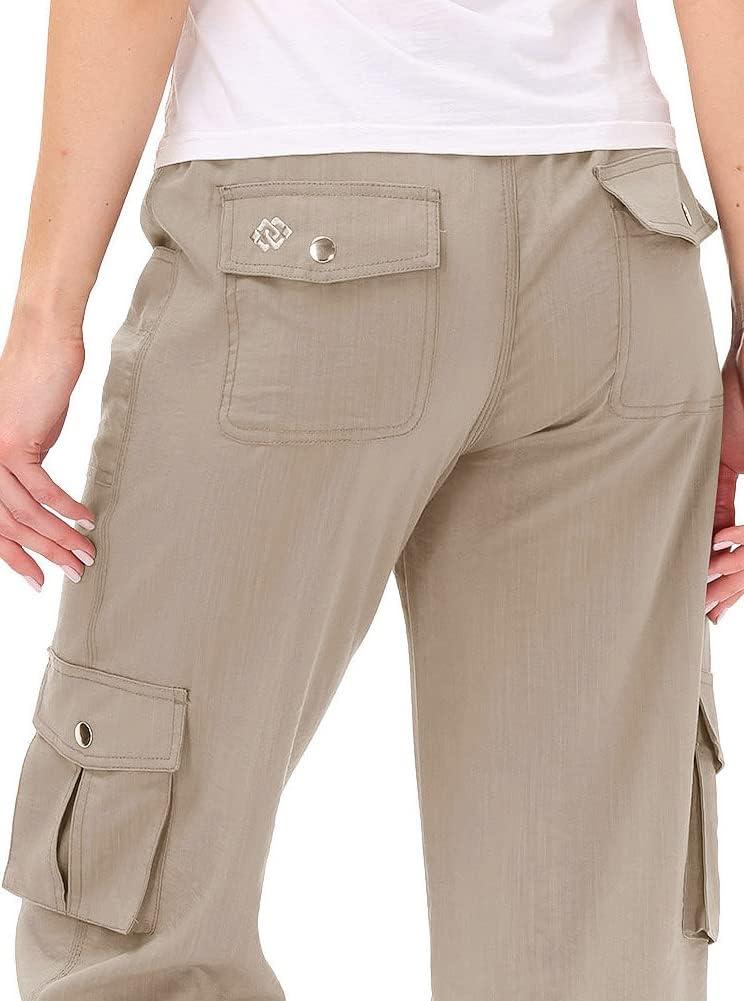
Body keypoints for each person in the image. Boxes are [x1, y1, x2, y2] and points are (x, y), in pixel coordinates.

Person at [0, 1, 741, 999]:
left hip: (300, 238)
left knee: (136, 904)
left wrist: (44, 319)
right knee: (588, 931)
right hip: (619, 249)